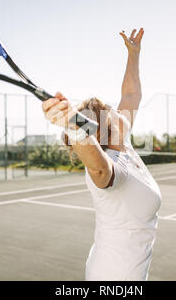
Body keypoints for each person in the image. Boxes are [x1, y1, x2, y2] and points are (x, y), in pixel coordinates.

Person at [42, 28, 162, 280]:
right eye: (110, 109)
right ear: (105, 127)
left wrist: (134, 54)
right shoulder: (111, 166)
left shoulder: (124, 147)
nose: (119, 109)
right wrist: (72, 126)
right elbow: (98, 169)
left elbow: (131, 94)